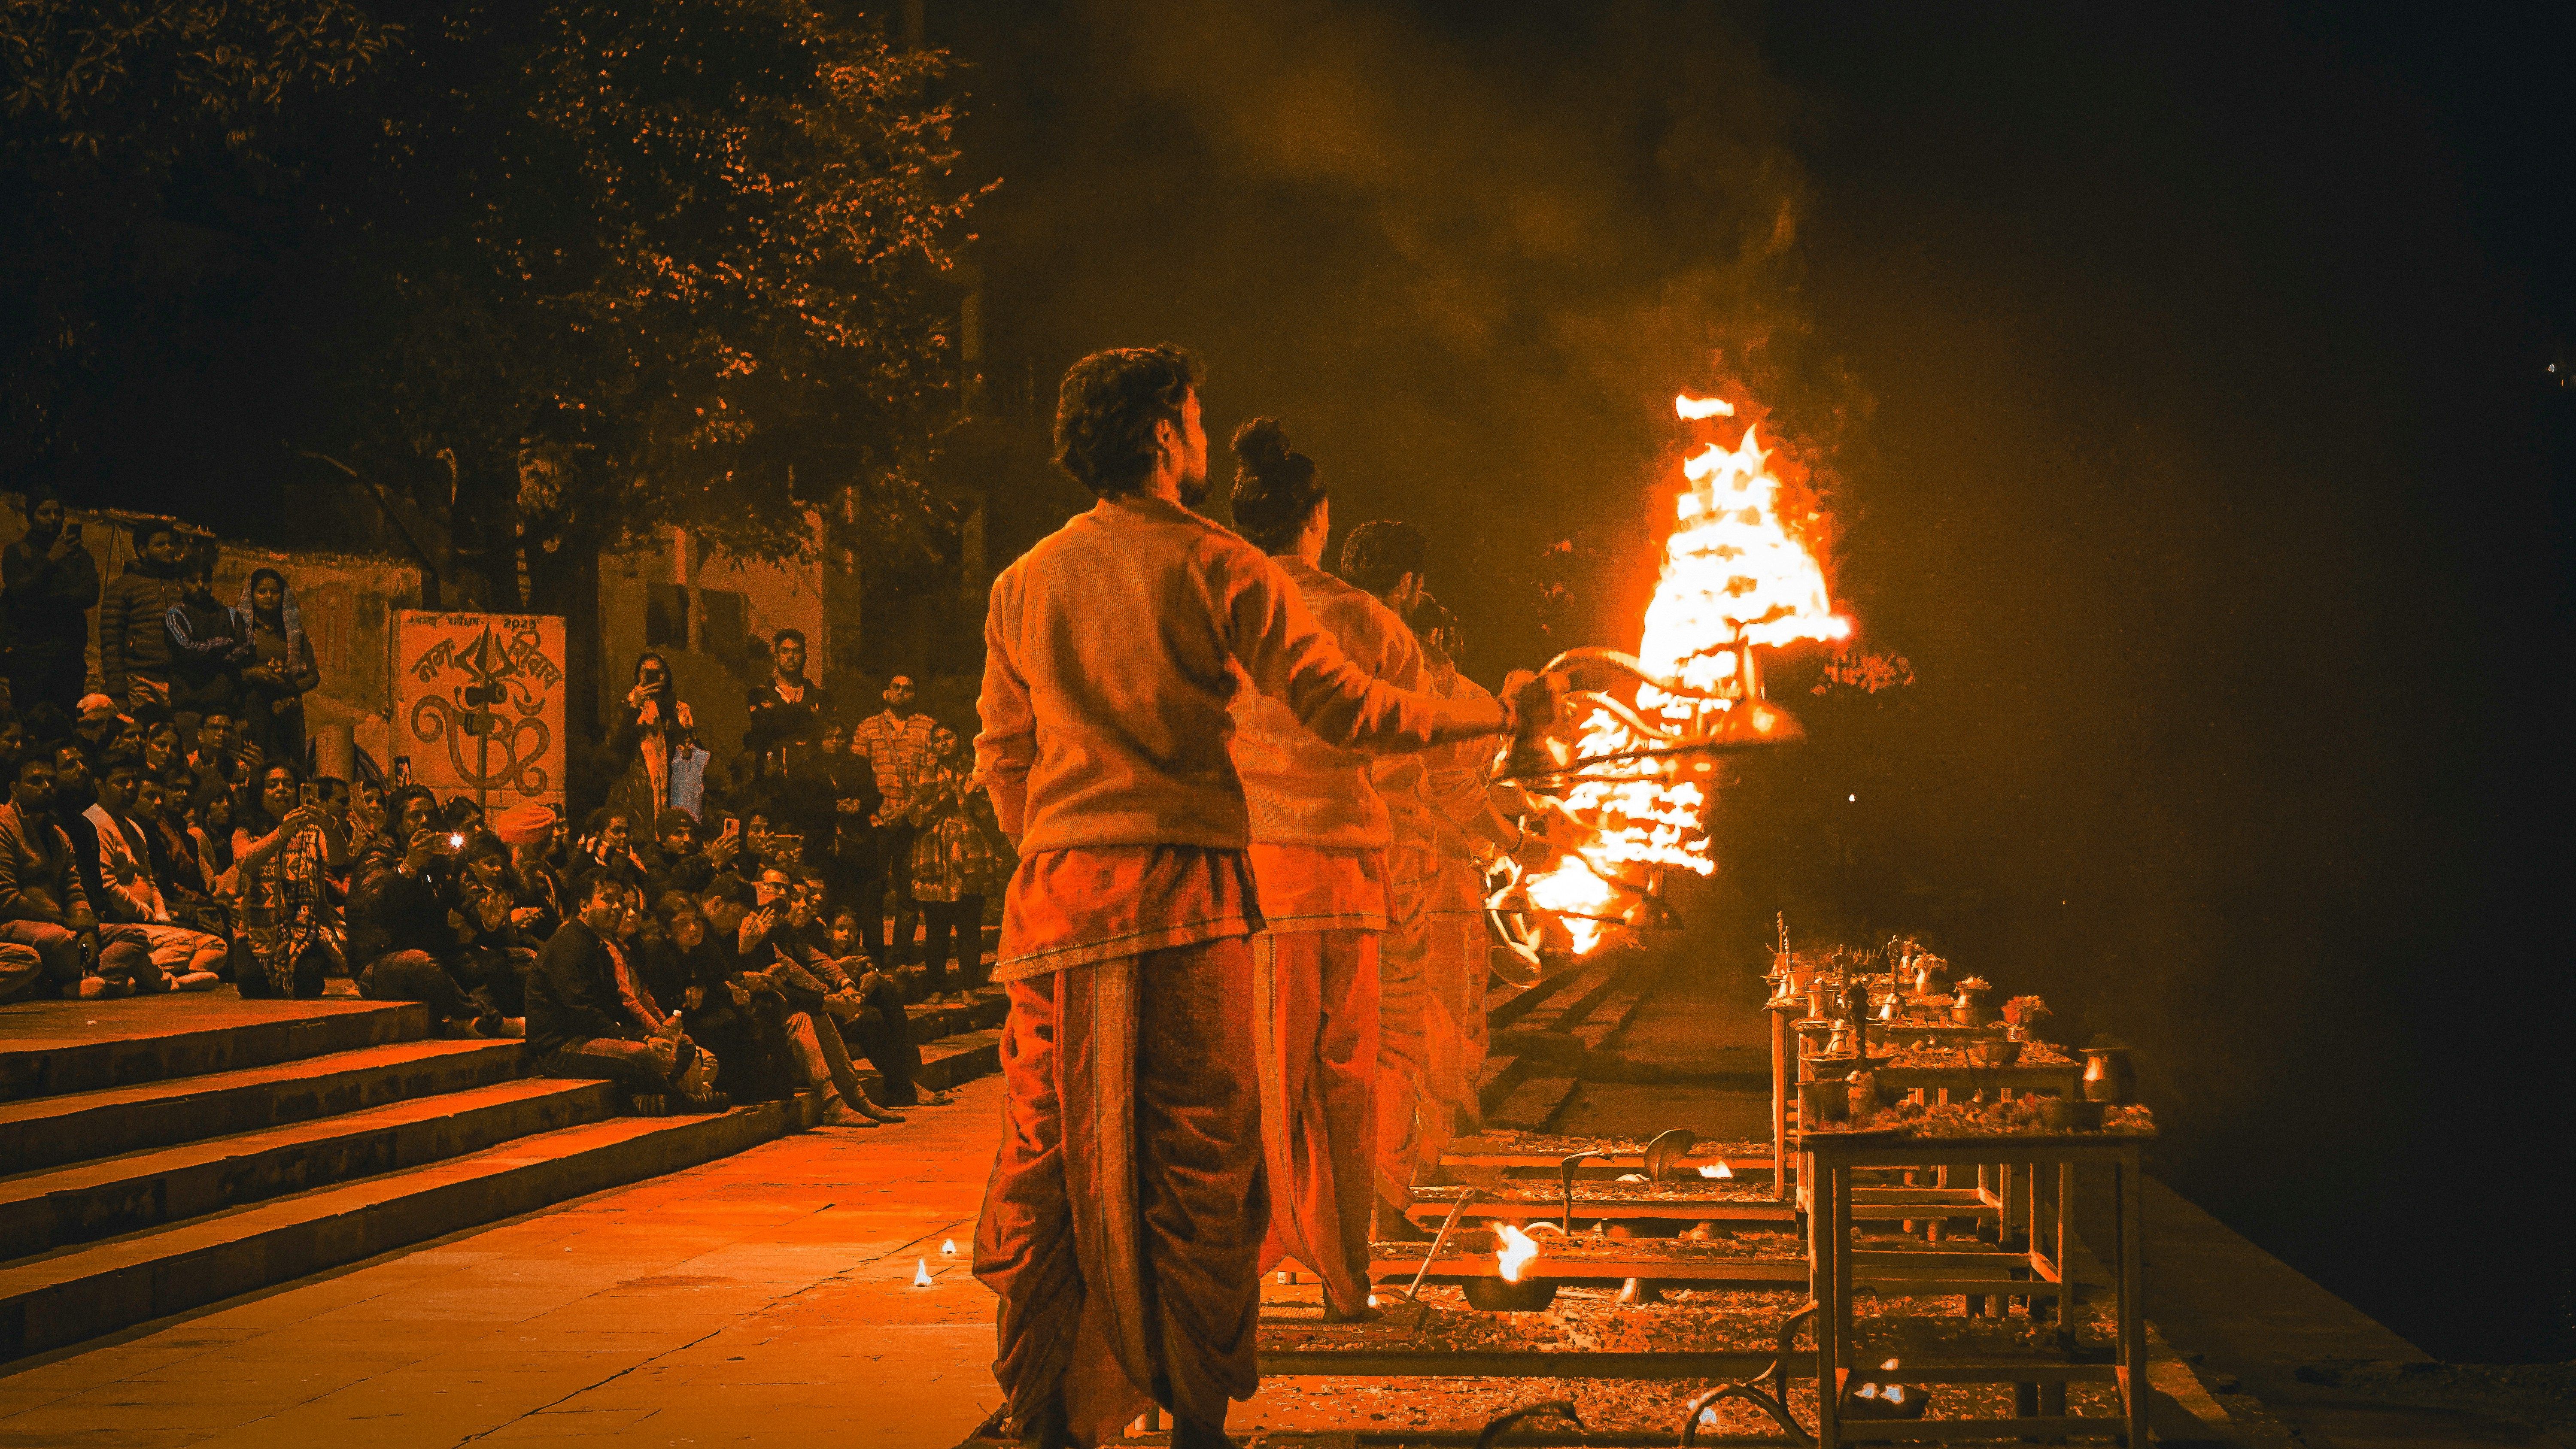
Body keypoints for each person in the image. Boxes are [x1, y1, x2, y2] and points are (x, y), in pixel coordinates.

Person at [968, 346, 1530, 1449]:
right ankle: (1195, 1426)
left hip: (1055, 907)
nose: (1201, 435)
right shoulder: (1220, 565)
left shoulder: (1023, 579)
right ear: (1165, 436)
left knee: (1051, 1153)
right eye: (1194, 417)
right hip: (1190, 902)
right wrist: (1497, 715)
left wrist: (1056, 839)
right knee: (1199, 1155)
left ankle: (1049, 1414)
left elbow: (1001, 757)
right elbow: (1351, 710)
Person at [1221, 417, 1400, 1321]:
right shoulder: (1366, 618)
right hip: (1350, 886)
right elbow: (1412, 740)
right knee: (1348, 1092)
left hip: (1263, 886)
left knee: (1262, 1090)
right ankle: (1347, 1280)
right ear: (1318, 516)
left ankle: (1235, 1273)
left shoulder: (1221, 614)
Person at [1336, 517, 1452, 1223]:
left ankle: (1314, 1209)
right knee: (1396, 1038)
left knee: (1324, 1047)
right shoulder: (1398, 645)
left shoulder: (1287, 628)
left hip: (1306, 867)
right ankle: (1380, 1199)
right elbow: (1426, 774)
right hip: (1389, 861)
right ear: (1407, 584)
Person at [1406, 593, 1514, 1147]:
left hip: (1394, 869)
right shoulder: (1465, 700)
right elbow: (1461, 787)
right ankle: (1438, 1130)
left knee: (1423, 1011)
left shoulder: (1359, 677)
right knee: (1454, 1007)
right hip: (1444, 872)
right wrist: (1508, 839)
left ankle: (1432, 1129)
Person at [526, 873, 720, 1111]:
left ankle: (653, 1098)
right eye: (608, 899)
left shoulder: (599, 945)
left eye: (620, 900)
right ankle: (672, 1101)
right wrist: (642, 1039)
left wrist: (652, 1035)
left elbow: (615, 1007)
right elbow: (583, 1013)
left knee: (683, 1047)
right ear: (585, 905)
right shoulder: (570, 943)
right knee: (643, 1055)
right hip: (563, 1046)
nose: (618, 907)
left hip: (595, 1035)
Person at [0, 755, 156, 1000]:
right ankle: (80, 983)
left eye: (52, 782)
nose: (47, 788)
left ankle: (90, 981)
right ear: (14, 788)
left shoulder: (59, 834)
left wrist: (86, 930)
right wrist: (65, 922)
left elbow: (75, 891)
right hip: (16, 923)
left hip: (63, 924)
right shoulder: (4, 827)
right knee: (58, 940)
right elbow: (7, 899)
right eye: (36, 781)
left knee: (133, 934)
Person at [347, 782, 495, 1033]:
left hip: (437, 952)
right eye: (416, 816)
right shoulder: (377, 855)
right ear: (399, 822)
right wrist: (408, 868)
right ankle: (484, 1019)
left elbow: (469, 895)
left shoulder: (444, 854)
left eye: (430, 815)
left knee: (501, 963)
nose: (425, 822)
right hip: (380, 962)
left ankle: (467, 1020)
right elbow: (375, 906)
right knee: (420, 965)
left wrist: (489, 912)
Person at [85, 752, 225, 988]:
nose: (130, 788)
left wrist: (162, 916)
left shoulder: (134, 829)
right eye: (121, 782)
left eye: (133, 783)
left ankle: (158, 975)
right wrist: (148, 914)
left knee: (215, 945)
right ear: (100, 785)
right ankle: (164, 980)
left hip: (150, 922)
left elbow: (151, 883)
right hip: (125, 923)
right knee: (181, 942)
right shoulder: (94, 824)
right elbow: (108, 886)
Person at [904, 722, 1004, 1003]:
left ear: (959, 740)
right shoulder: (924, 776)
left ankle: (968, 986)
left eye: (949, 737)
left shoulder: (976, 773)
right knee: (936, 929)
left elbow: (991, 814)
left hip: (971, 856)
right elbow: (915, 816)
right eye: (938, 740)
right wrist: (953, 797)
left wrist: (972, 799)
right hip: (935, 857)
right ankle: (938, 987)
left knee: (969, 928)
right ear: (932, 747)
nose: (944, 743)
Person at [232, 764, 349, 997]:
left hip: (305, 930)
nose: (281, 789)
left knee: (307, 981)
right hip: (257, 932)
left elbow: (339, 857)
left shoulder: (314, 829)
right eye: (272, 784)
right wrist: (282, 834)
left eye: (288, 784)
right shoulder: (245, 831)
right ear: (260, 793)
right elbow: (245, 861)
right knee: (251, 985)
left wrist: (330, 826)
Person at [849, 673, 934, 965]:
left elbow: (930, 777)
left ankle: (900, 960)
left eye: (908, 688)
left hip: (912, 823)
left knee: (908, 894)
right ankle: (874, 957)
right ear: (886, 693)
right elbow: (858, 775)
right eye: (895, 687)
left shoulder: (928, 727)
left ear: (915, 694)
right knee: (873, 890)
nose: (901, 692)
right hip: (876, 823)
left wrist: (907, 809)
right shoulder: (868, 728)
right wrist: (873, 812)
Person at [3, 494, 103, 715]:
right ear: (31, 517)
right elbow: (20, 593)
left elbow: (90, 594)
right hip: (30, 658)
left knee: (67, 722)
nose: (53, 518)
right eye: (44, 512)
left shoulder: (78, 555)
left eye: (58, 513)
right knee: (30, 720)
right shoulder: (18, 553)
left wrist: (47, 599)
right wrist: (50, 561)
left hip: (68, 657)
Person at [98, 524, 191, 717]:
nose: (169, 549)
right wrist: (117, 691)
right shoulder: (123, 587)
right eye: (161, 544)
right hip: (140, 681)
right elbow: (111, 644)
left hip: (178, 681)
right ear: (143, 550)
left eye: (171, 543)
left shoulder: (182, 586)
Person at [234, 569, 320, 767]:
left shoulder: (293, 632)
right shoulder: (241, 631)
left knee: (289, 768)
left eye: (275, 592)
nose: (269, 597)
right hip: (251, 710)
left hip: (288, 713)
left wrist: (288, 686)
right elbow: (230, 671)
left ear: (283, 596)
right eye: (262, 591)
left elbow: (314, 676)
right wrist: (253, 673)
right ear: (252, 595)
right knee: (252, 766)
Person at [165, 561, 253, 743]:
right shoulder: (176, 615)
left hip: (226, 708)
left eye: (205, 581)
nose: (200, 587)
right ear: (180, 583)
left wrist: (212, 652)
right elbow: (189, 651)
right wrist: (225, 644)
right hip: (190, 705)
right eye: (192, 581)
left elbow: (247, 648)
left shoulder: (231, 614)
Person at [606, 653, 696, 827]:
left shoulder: (680, 710)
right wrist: (633, 708)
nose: (655, 678)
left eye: (660, 672)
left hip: (672, 794)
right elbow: (614, 745)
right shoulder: (629, 708)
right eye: (648, 673)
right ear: (639, 677)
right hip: (636, 795)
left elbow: (690, 754)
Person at [744, 627, 834, 778]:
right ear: (777, 656)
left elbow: (826, 734)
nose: (791, 657)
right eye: (785, 651)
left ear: (805, 657)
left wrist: (777, 714)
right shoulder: (760, 694)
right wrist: (807, 715)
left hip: (812, 779)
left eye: (797, 651)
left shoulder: (820, 696)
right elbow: (760, 732)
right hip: (773, 781)